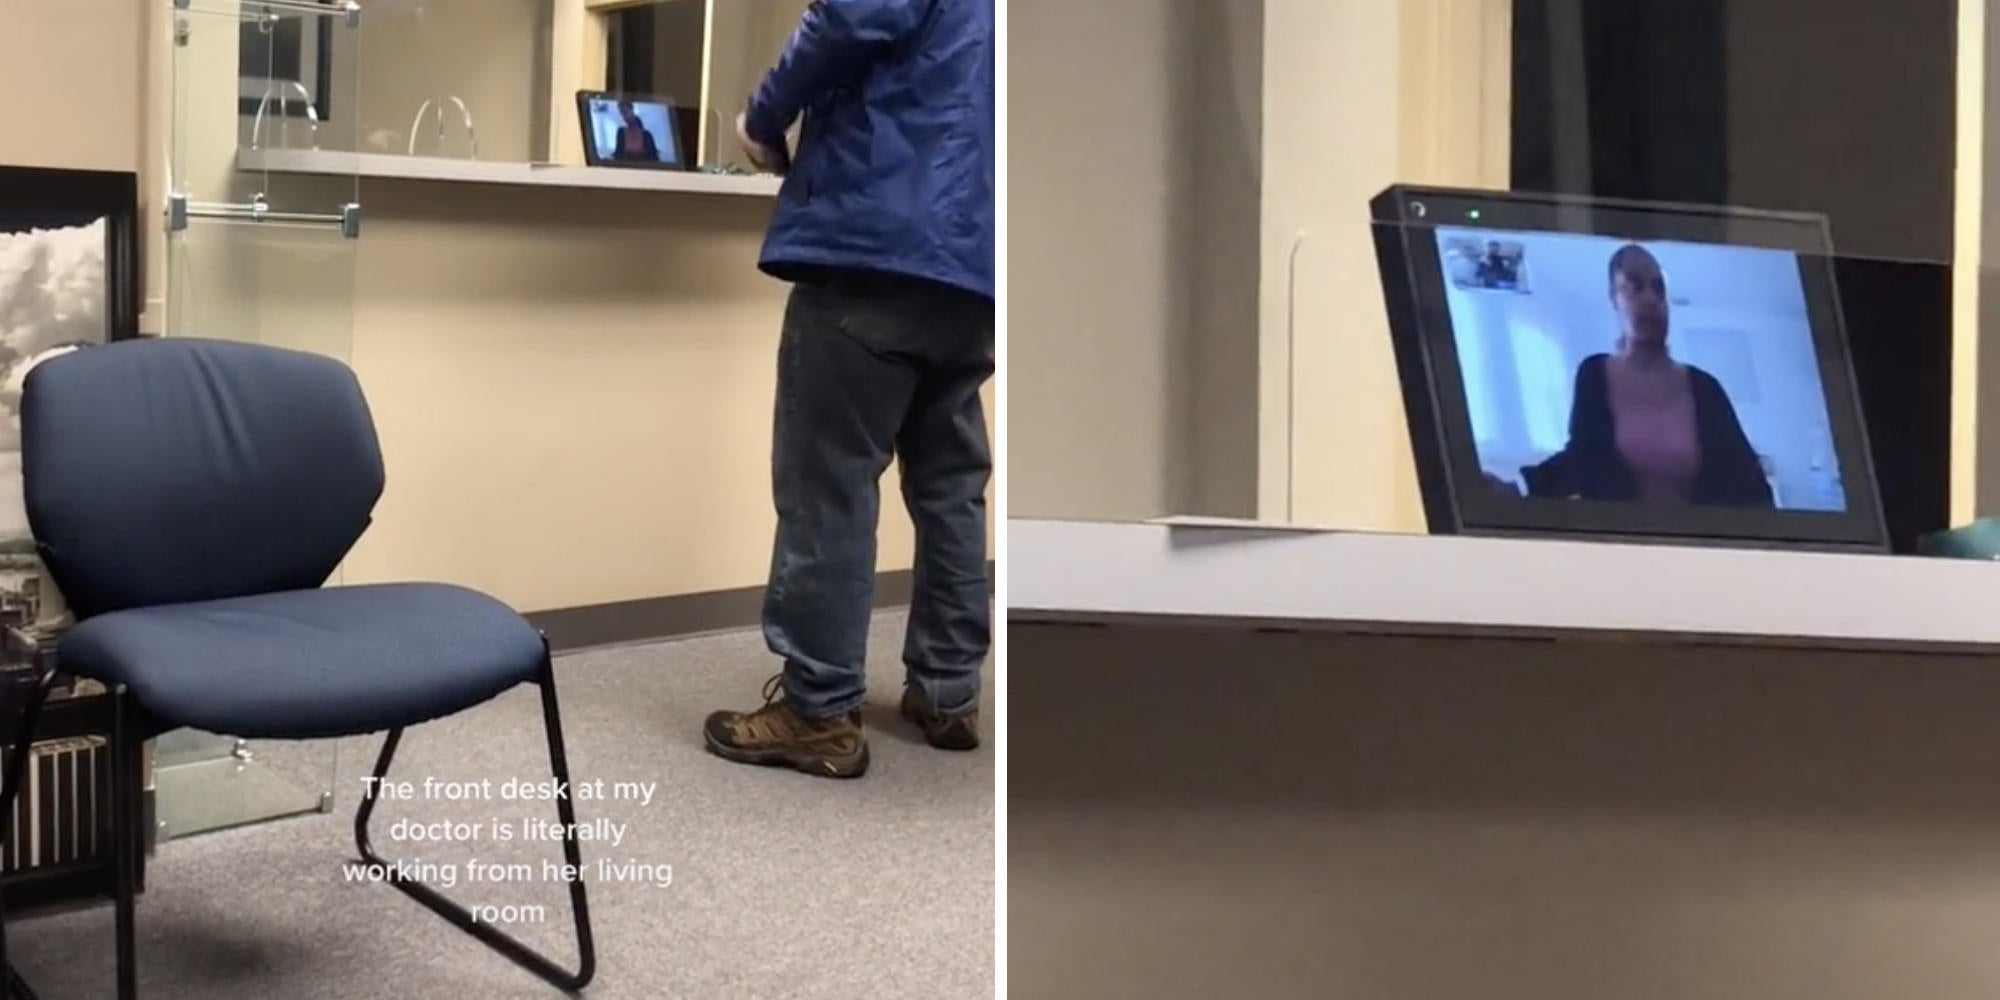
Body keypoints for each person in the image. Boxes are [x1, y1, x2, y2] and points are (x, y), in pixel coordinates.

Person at [701, 0, 994, 780]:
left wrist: (764, 116)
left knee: (828, 480)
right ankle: (948, 691)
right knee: (951, 484)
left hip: (874, 240)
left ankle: (818, 709)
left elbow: (850, 14)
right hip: (974, 263)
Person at [1495, 243, 1772, 507]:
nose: (1651, 300)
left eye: (1659, 289)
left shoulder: (1705, 388)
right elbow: (1582, 458)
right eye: (1635, 286)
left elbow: (1749, 481)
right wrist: (1521, 487)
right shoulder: (1594, 374)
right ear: (1614, 298)